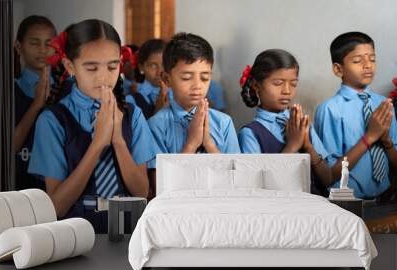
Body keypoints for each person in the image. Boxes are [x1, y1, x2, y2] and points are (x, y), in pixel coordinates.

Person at [28, 19, 158, 233]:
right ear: (70, 66)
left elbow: (142, 191)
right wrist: (97, 144)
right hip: (74, 234)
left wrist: (117, 140)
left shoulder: (133, 115)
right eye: (91, 67)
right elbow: (57, 206)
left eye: (112, 66)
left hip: (129, 231)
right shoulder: (52, 120)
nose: (103, 76)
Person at [147, 33, 240, 194]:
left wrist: (209, 144)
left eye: (204, 78)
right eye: (186, 77)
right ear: (167, 79)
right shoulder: (156, 126)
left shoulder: (223, 123)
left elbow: (236, 181)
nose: (197, 86)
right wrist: (191, 144)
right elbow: (160, 188)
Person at [238, 49, 339, 196]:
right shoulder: (250, 134)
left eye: (293, 83)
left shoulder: (302, 124)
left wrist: (308, 146)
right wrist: (292, 146)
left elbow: (328, 179)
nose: (287, 91)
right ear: (256, 85)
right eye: (278, 83)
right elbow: (257, 190)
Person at [315, 32, 397, 200]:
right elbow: (329, 174)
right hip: (348, 202)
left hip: (385, 198)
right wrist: (370, 136)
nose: (368, 65)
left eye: (372, 59)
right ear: (338, 69)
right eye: (358, 61)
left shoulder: (385, 104)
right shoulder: (330, 109)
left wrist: (387, 141)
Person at [14, 15, 56, 190]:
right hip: (19, 186)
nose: (42, 49)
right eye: (34, 43)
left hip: (59, 187)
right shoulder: (8, 91)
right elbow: (7, 148)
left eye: (48, 43)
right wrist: (37, 104)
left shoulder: (68, 89)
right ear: (18, 46)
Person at [126, 39, 173, 118]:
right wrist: (158, 110)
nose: (160, 72)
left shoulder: (178, 95)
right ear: (141, 67)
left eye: (164, 64)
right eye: (153, 65)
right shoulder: (131, 100)